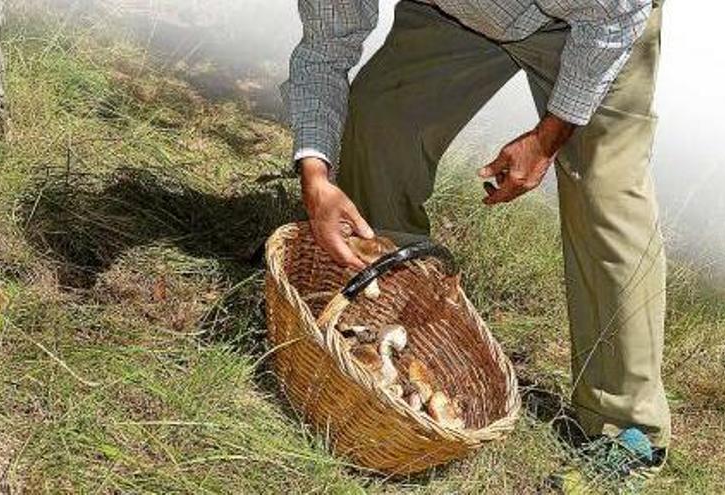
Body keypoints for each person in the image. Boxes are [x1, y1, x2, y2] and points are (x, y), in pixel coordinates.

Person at [282, 0, 669, 480]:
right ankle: (392, 334)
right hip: (453, 13)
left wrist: (548, 138)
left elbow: (614, 16)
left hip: (591, 23)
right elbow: (324, 50)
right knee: (382, 116)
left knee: (604, 190)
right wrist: (315, 175)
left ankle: (626, 425)